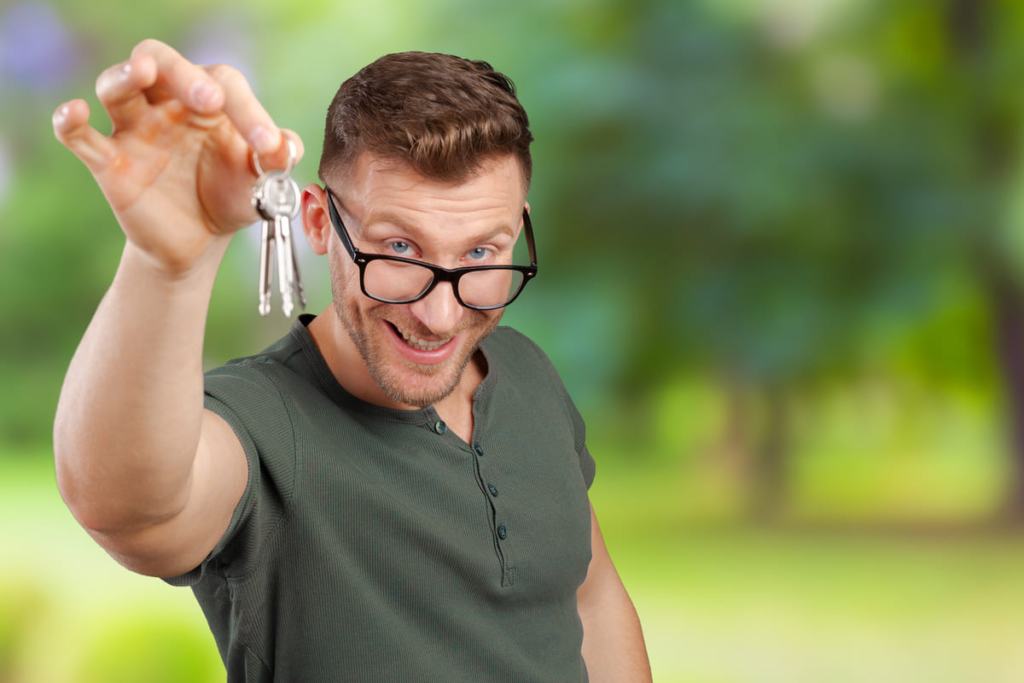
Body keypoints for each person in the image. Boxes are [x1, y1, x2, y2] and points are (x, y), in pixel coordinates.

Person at [52, 39, 651, 682]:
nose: (440, 316)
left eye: (481, 253)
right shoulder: (261, 424)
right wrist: (167, 265)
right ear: (317, 223)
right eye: (399, 248)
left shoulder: (527, 370)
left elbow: (589, 598)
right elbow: (130, 510)